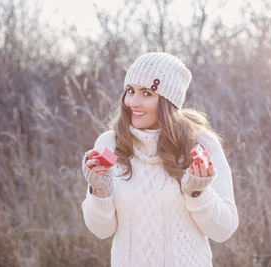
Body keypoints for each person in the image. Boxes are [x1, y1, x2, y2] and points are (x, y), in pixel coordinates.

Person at [81, 52, 239, 267]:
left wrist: (198, 191)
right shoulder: (109, 143)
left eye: (146, 93)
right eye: (130, 91)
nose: (133, 102)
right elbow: (101, 230)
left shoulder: (200, 144)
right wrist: (99, 190)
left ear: (168, 101)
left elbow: (223, 230)